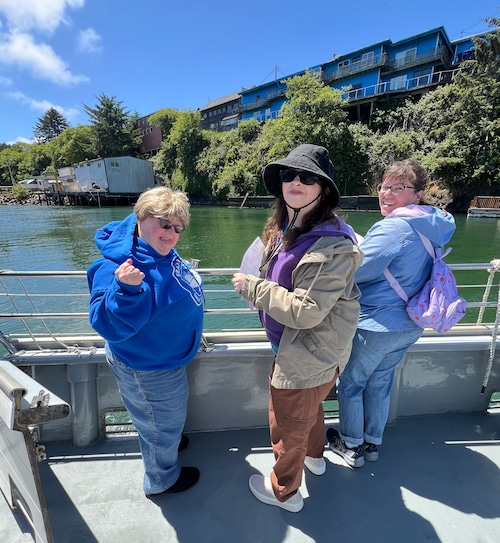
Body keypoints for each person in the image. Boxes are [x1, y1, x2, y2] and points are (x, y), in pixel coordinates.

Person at [232, 144, 362, 512]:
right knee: (313, 410)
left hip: (305, 352)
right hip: (310, 351)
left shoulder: (334, 246)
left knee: (286, 425)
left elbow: (305, 311)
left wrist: (251, 286)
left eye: (307, 177)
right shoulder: (288, 227)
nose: (296, 182)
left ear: (324, 190)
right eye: (289, 175)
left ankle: (284, 494)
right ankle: (316, 459)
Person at [328, 159, 456, 467]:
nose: (387, 194)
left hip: (377, 324)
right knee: (380, 381)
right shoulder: (431, 226)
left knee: (351, 383)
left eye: (398, 188)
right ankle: (372, 443)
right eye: (384, 186)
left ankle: (352, 446)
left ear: (417, 193)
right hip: (410, 323)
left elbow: (357, 271)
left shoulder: (394, 226)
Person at [87, 186, 204, 496]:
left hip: (167, 358)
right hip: (148, 368)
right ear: (141, 218)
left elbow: (165, 278)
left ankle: (170, 439)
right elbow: (106, 323)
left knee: (168, 417)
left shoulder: (157, 247)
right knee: (158, 424)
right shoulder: (117, 267)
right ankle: (161, 479)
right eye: (164, 224)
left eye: (177, 228)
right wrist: (126, 291)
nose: (171, 234)